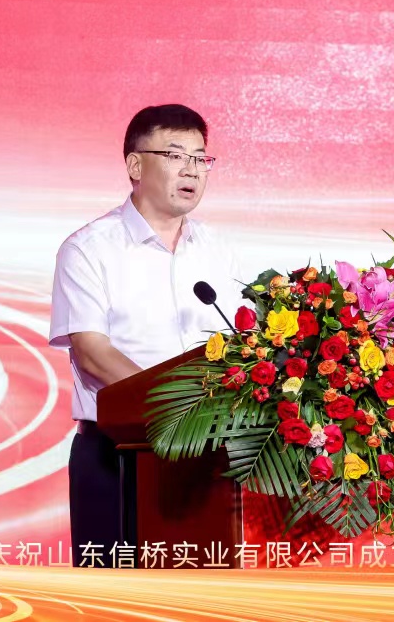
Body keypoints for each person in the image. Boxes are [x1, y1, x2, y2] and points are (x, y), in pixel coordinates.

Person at [48, 103, 247, 566]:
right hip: (118, 453)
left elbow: (242, 344)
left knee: (206, 590)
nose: (191, 169)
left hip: (209, 455)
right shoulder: (89, 249)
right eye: (175, 155)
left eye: (200, 158)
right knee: (117, 596)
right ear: (135, 165)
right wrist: (178, 410)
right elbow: (93, 353)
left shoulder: (219, 250)